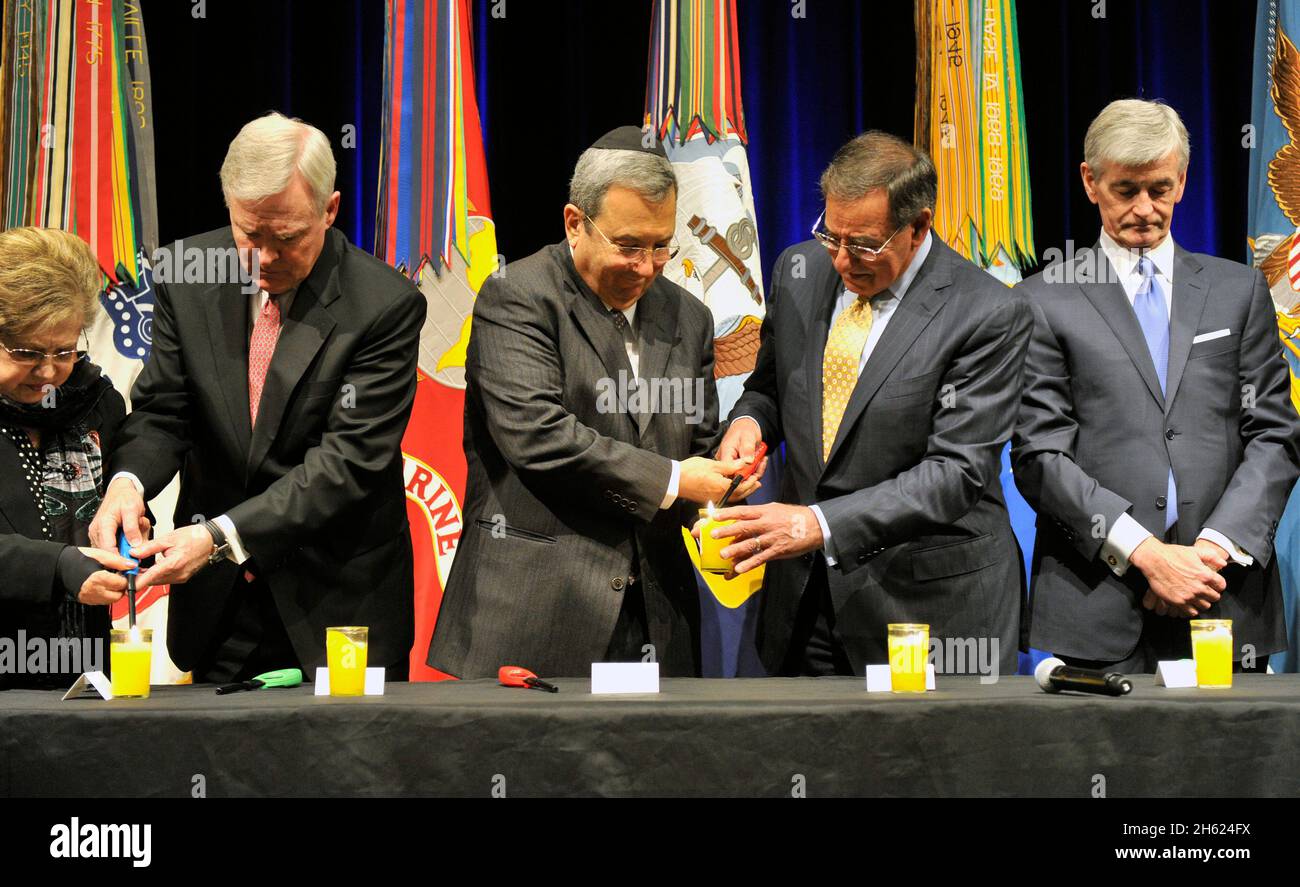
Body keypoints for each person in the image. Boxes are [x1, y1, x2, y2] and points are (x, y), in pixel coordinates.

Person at [90, 112, 426, 683]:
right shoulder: (183, 275)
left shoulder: (384, 305)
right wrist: (128, 483)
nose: (264, 258)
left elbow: (346, 463)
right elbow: (164, 413)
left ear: (330, 209)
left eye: (287, 237)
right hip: (220, 610)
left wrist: (219, 537)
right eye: (250, 234)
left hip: (339, 609)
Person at [426, 126, 761, 679]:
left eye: (661, 246)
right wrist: (679, 479)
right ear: (574, 223)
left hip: (657, 621)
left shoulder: (688, 316)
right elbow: (539, 436)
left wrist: (725, 479)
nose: (647, 266)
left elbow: (695, 445)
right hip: (534, 615)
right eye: (629, 246)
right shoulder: (518, 296)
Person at [711, 131, 1030, 677]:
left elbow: (954, 473)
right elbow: (769, 385)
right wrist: (748, 421)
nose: (839, 259)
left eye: (862, 245)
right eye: (830, 235)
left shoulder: (987, 313)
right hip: (806, 604)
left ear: (919, 226)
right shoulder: (799, 270)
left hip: (928, 612)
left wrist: (817, 523)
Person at [1012, 99, 1300, 672]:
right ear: (1090, 182)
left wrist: (1209, 554)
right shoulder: (1039, 301)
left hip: (1222, 598)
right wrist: (1146, 555)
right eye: (1125, 190)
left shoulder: (1238, 291)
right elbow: (1040, 454)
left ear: (1183, 180)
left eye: (1160, 189)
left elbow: (1275, 435)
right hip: (1097, 607)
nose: (1145, 209)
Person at [0, 227, 139, 689]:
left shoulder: (96, 401)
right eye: (26, 352)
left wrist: (129, 528)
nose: (47, 372)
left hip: (82, 672)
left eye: (64, 351)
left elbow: (119, 491)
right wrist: (60, 565)